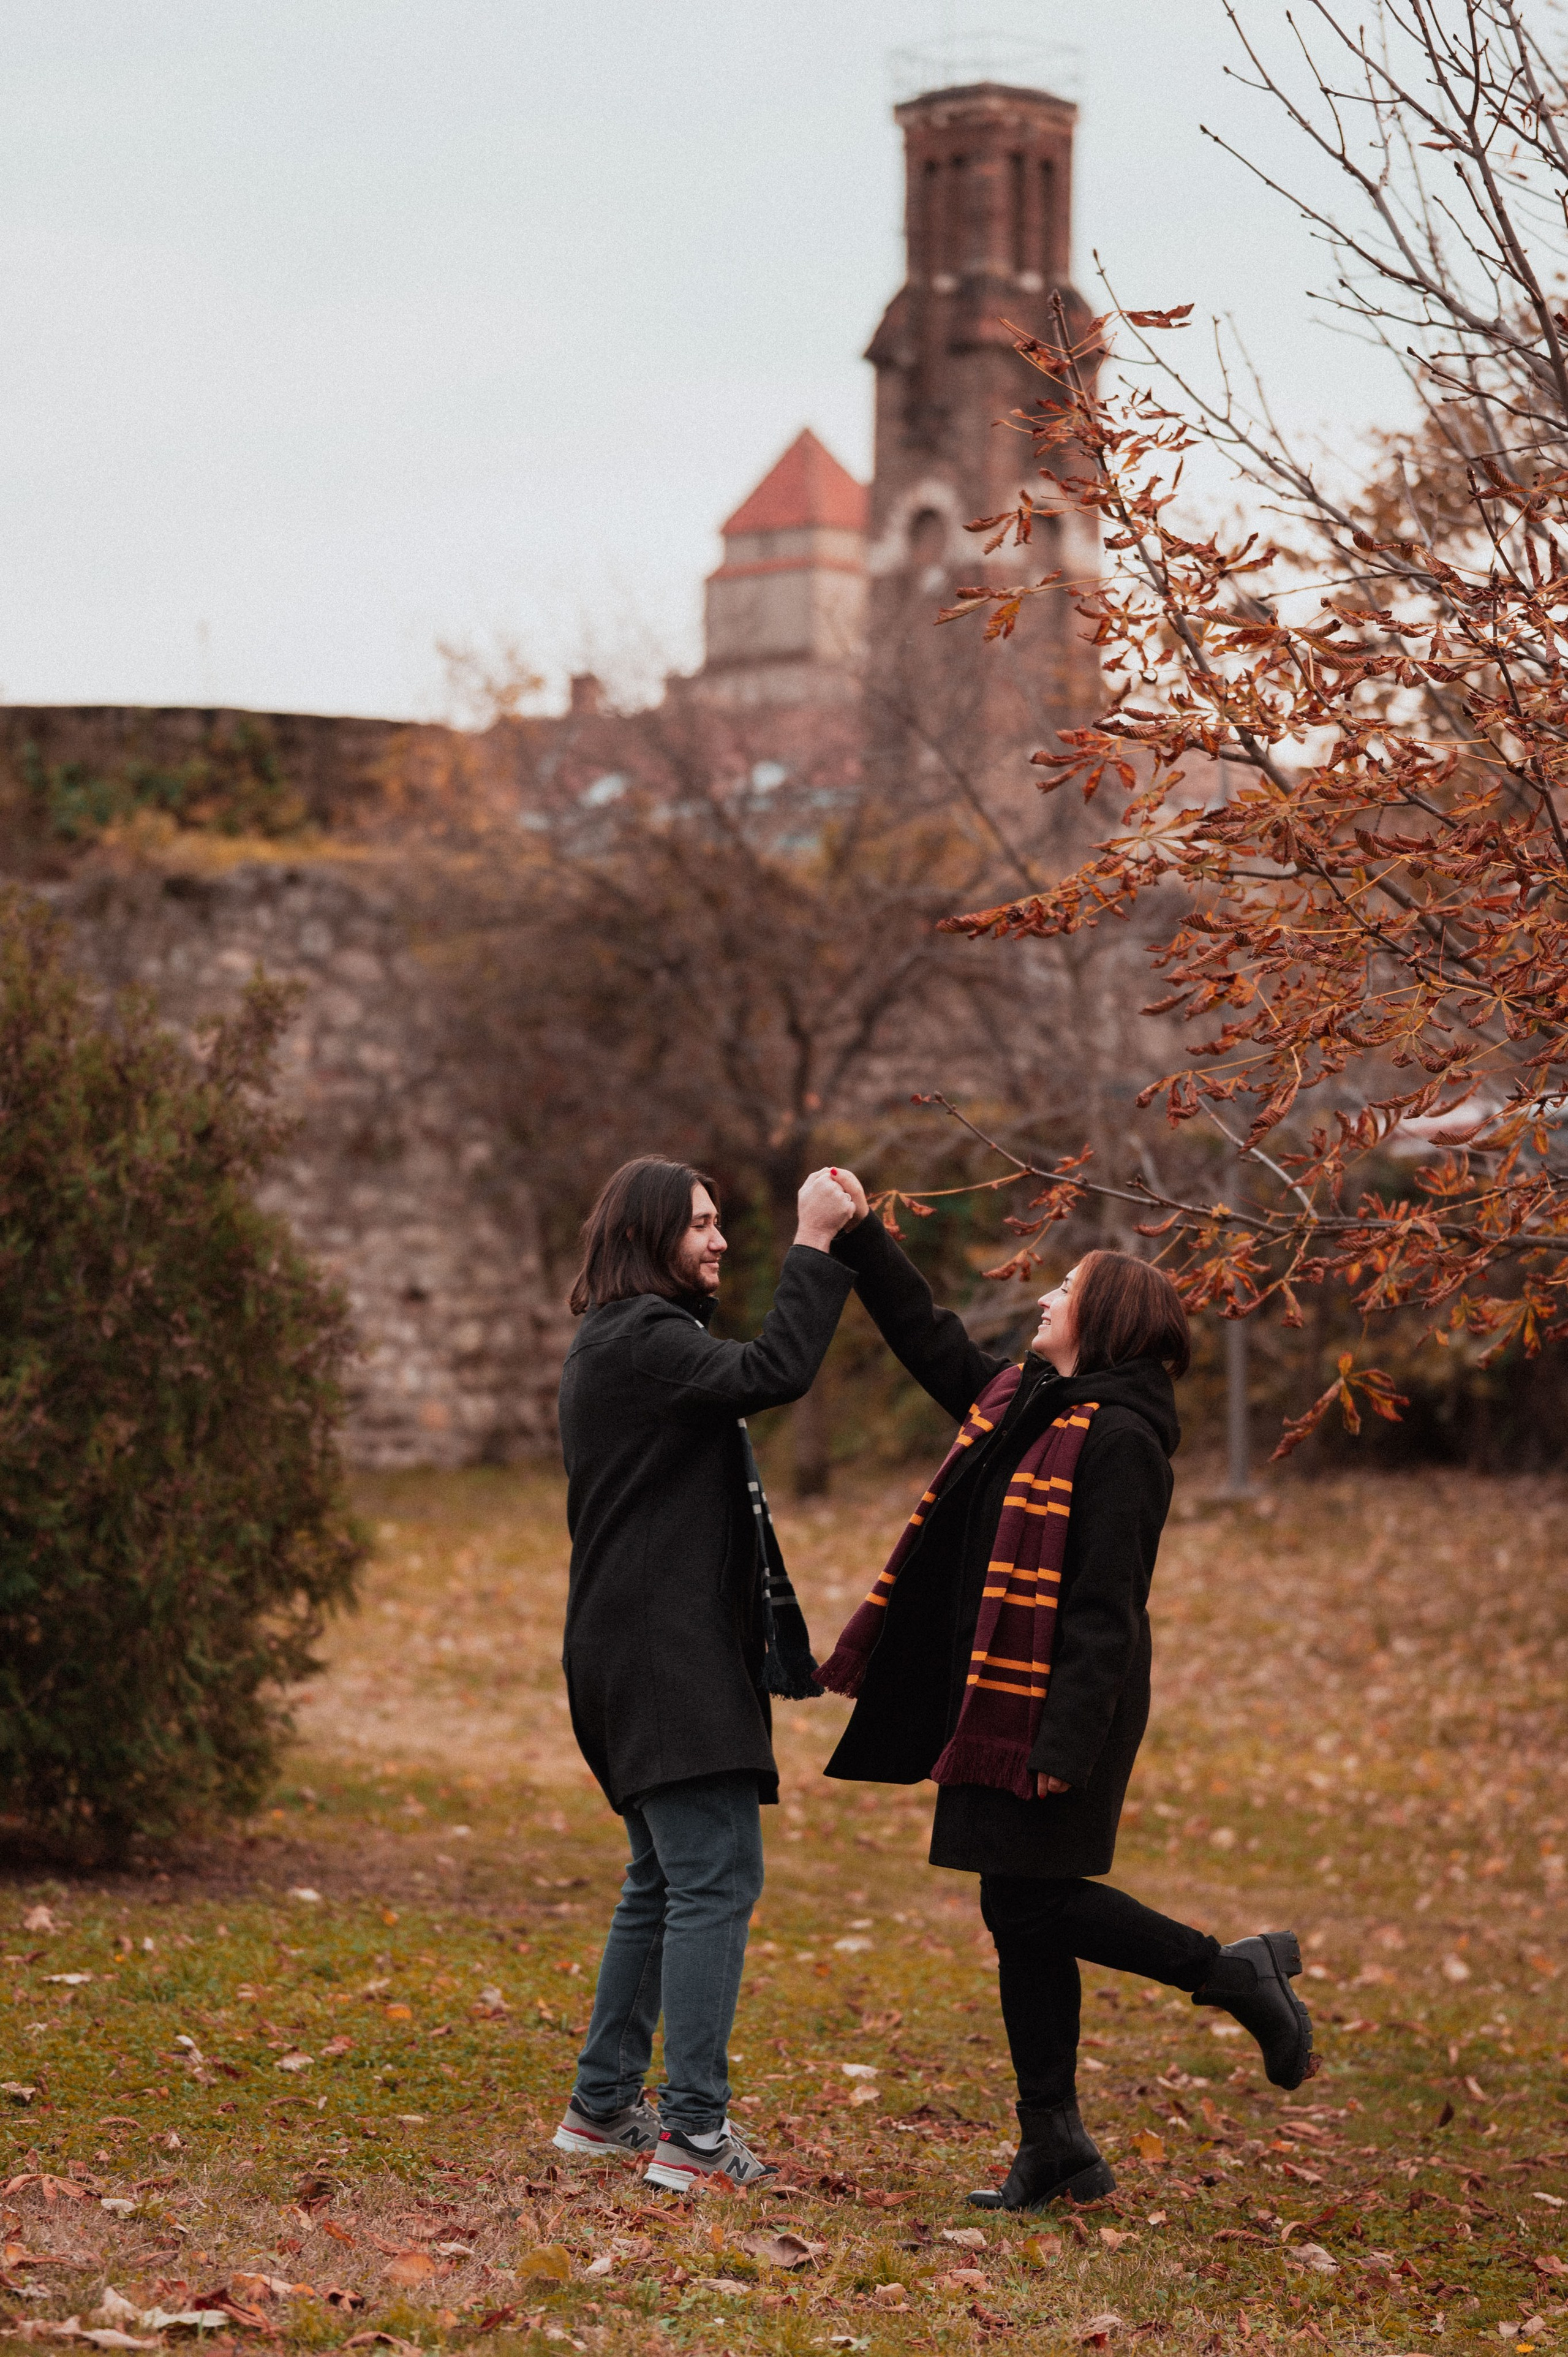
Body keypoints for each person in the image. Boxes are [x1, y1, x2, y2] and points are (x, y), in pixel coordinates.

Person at [816, 1186, 1314, 2213]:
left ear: (1108, 1318)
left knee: (1034, 1900)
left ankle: (1231, 1973)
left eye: (1066, 1287)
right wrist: (862, 1237)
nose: (1045, 1296)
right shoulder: (1028, 1405)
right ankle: (1056, 2146)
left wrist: (1064, 1742)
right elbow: (931, 1342)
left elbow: (1105, 1608)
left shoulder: (1122, 1439)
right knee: (1019, 1909)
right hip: (997, 1704)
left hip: (1053, 1715)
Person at [551, 1154, 860, 2193]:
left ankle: (602, 2110)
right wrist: (815, 1242)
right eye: (699, 1225)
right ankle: (693, 2137)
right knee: (716, 1879)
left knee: (666, 1879)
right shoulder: (644, 1342)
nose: (720, 1239)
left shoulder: (624, 1343)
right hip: (661, 1654)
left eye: (720, 1221)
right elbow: (776, 1370)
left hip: (631, 1648)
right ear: (647, 1236)